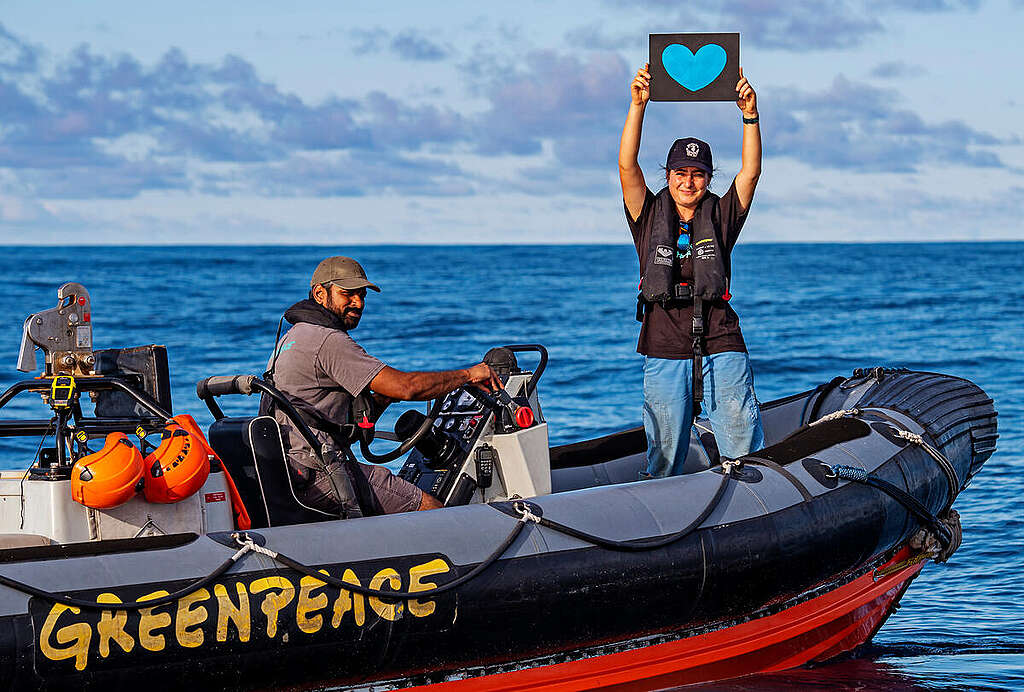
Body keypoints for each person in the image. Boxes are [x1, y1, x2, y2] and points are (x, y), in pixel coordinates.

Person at [263, 256, 500, 516]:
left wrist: (384, 399)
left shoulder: (291, 337)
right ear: (320, 293)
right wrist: (470, 374)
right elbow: (408, 387)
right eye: (348, 294)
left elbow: (323, 414)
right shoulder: (327, 340)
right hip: (322, 472)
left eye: (362, 295)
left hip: (294, 469)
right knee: (433, 511)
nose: (358, 303)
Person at [619, 63, 765, 478]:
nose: (688, 181)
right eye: (680, 173)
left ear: (707, 178)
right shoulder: (647, 213)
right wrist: (638, 106)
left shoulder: (721, 214)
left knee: (742, 440)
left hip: (720, 336)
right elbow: (627, 166)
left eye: (698, 174)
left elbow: (750, 173)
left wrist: (749, 114)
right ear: (668, 176)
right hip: (664, 339)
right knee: (664, 454)